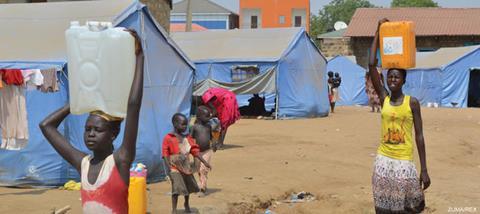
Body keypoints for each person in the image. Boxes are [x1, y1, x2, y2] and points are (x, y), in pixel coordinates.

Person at [39, 30, 144, 214]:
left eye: (97, 129)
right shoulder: (83, 163)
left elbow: (133, 105)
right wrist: (79, 101)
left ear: (113, 134)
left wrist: (140, 57)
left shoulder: (120, 160)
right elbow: (46, 126)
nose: (91, 134)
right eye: (87, 129)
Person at [369, 18, 430, 213]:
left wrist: (424, 169)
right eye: (390, 76)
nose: (392, 79)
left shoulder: (412, 103)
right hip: (383, 160)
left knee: (412, 206)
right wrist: (378, 32)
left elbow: (419, 136)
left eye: (397, 77)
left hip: (404, 161)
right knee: (382, 206)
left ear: (404, 80)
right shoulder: (384, 97)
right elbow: (371, 65)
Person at [162, 113, 211, 213]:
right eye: (182, 124)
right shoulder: (168, 138)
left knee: (187, 188)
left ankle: (186, 204)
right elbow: (165, 154)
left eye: (186, 124)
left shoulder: (187, 138)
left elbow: (195, 152)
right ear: (175, 124)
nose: (185, 126)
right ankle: (174, 209)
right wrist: (169, 168)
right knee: (176, 189)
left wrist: (205, 162)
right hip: (174, 167)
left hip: (186, 167)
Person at [190, 106, 214, 197]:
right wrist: (190, 149)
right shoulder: (195, 127)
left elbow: (211, 137)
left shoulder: (208, 126)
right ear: (199, 117)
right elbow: (191, 139)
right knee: (198, 169)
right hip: (197, 152)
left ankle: (202, 188)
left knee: (203, 169)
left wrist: (214, 143)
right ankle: (202, 183)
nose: (209, 119)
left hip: (207, 150)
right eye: (207, 117)